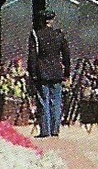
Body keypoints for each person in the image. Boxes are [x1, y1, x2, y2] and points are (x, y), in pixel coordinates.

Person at [28, 10, 72, 138]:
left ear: (41, 20)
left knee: (43, 101)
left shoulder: (36, 34)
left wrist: (32, 73)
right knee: (56, 101)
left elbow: (33, 56)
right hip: (57, 72)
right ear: (52, 20)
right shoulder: (59, 34)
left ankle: (45, 131)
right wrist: (67, 71)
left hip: (41, 72)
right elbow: (66, 54)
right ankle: (55, 130)